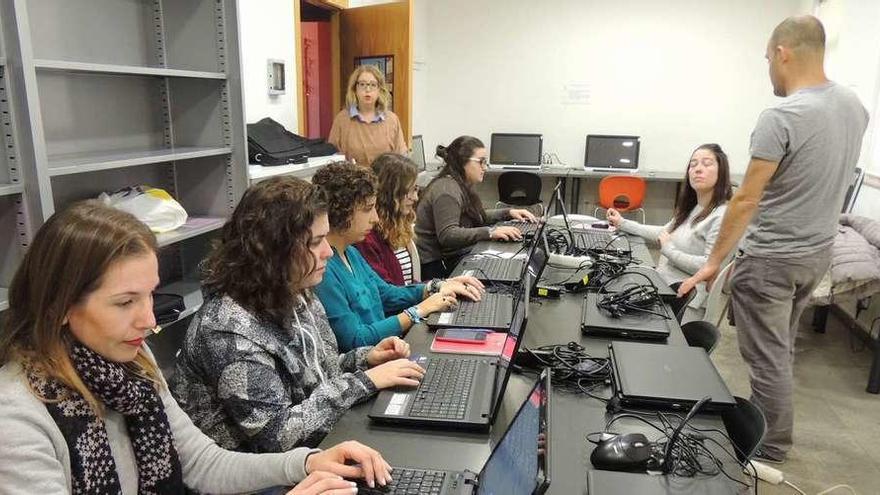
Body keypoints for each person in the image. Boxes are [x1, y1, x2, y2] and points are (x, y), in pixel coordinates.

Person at [0, 201, 393, 494]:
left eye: (150, 296)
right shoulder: (17, 419)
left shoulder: (131, 363)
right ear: (59, 305)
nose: (150, 320)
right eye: (125, 302)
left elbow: (202, 462)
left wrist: (307, 462)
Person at [678, 15, 869, 464]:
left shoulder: (783, 114)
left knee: (766, 357)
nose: (769, 70)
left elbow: (745, 200)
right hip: (816, 252)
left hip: (772, 258)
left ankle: (771, 447)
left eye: (767, 59)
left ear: (783, 52)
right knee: (780, 350)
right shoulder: (854, 106)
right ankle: (772, 430)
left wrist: (712, 263)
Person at [171, 177, 426, 455]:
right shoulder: (227, 329)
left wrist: (365, 359)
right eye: (316, 242)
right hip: (262, 478)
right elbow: (278, 435)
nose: (328, 251)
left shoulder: (295, 289)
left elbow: (317, 375)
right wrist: (366, 381)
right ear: (274, 249)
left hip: (313, 449)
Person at [313, 162, 485, 351]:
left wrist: (436, 286)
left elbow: (386, 294)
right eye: (368, 209)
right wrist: (419, 310)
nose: (375, 218)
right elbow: (355, 340)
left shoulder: (350, 252)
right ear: (341, 211)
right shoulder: (323, 270)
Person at [606, 143, 733, 322]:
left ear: (722, 172)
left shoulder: (721, 216)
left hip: (684, 303)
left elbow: (708, 267)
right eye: (693, 164)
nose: (698, 169)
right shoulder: (695, 208)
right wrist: (622, 223)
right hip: (663, 286)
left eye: (707, 163)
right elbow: (664, 233)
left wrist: (668, 249)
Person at [414, 136, 538, 279]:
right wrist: (490, 232)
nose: (484, 167)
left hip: (452, 257)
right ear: (463, 162)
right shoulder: (446, 190)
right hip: (439, 267)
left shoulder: (458, 183)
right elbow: (448, 235)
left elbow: (475, 215)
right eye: (481, 162)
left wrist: (509, 212)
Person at [355, 153, 420, 285]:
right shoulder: (367, 238)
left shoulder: (399, 225)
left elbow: (410, 286)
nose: (415, 197)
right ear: (390, 194)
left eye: (416, 189)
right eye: (410, 190)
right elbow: (388, 293)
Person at [327, 65, 407, 168]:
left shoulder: (392, 120)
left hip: (384, 182)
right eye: (362, 84)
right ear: (354, 89)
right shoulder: (342, 119)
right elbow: (332, 159)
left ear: (380, 89)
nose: (367, 89)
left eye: (373, 85)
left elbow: (401, 158)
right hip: (353, 181)